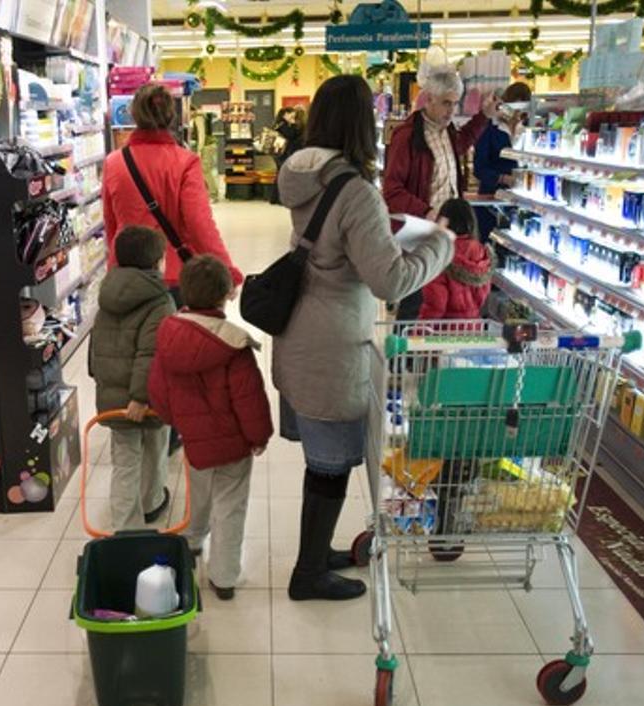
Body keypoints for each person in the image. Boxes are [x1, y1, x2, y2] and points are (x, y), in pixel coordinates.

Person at [275, 74, 455, 601]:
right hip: (332, 344)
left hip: (300, 330)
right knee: (331, 463)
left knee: (321, 460)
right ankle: (307, 575)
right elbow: (391, 280)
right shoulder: (355, 191)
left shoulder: (304, 178)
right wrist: (439, 245)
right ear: (362, 123)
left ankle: (315, 554)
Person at [148, 255, 273, 601]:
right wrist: (258, 436)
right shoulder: (232, 343)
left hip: (195, 441)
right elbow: (249, 398)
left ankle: (191, 541)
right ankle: (224, 575)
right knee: (231, 506)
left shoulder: (169, 334)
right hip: (233, 446)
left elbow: (158, 390)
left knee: (199, 492)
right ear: (224, 296)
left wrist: (178, 422)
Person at [102, 83, 243, 307]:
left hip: (124, 274)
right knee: (170, 339)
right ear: (171, 116)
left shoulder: (113, 162)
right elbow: (200, 225)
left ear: (134, 115)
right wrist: (227, 270)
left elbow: (111, 224)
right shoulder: (186, 162)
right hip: (171, 275)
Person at [89, 226, 176, 530]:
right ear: (156, 263)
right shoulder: (159, 301)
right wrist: (140, 396)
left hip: (112, 395)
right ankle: (150, 503)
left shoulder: (107, 296)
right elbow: (152, 355)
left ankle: (125, 526)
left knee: (124, 462)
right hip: (147, 398)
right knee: (155, 448)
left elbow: (96, 348)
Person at [382, 64, 498, 222]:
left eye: (455, 103)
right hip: (419, 228)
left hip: (447, 226)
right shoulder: (407, 136)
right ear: (429, 99)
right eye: (446, 103)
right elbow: (392, 191)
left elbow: (463, 141)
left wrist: (484, 115)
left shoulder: (448, 131)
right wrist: (426, 212)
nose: (452, 110)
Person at [417, 198, 494, 320]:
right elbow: (482, 296)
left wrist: (418, 333)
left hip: (443, 333)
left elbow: (435, 306)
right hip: (473, 329)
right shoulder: (481, 253)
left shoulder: (441, 253)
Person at [473, 81, 532, 241]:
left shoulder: (529, 131)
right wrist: (503, 178)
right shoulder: (489, 129)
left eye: (522, 111)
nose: (517, 114)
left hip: (523, 200)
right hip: (492, 199)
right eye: (514, 109)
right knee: (489, 245)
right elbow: (479, 168)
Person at [269, 105, 306, 205]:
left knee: (280, 174)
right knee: (283, 175)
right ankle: (279, 198)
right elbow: (291, 135)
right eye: (291, 114)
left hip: (279, 153)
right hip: (283, 153)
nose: (292, 117)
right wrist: (293, 124)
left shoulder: (279, 124)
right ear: (285, 114)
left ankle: (275, 198)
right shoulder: (283, 125)